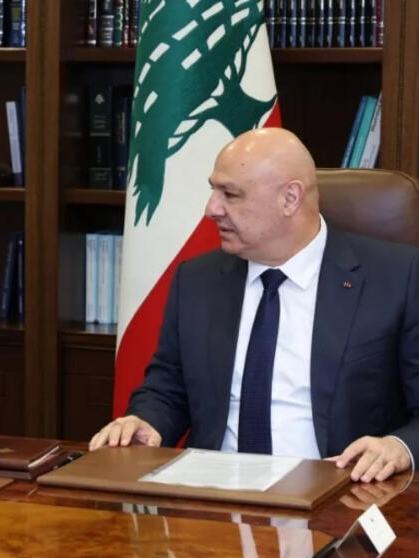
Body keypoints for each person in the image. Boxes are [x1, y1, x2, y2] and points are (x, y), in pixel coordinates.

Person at [90, 128, 419, 483]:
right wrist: (146, 420)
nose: (211, 209)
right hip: (214, 494)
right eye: (213, 190)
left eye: (230, 194)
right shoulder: (197, 280)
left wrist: (400, 446)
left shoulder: (397, 278)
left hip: (338, 492)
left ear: (290, 199)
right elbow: (168, 388)